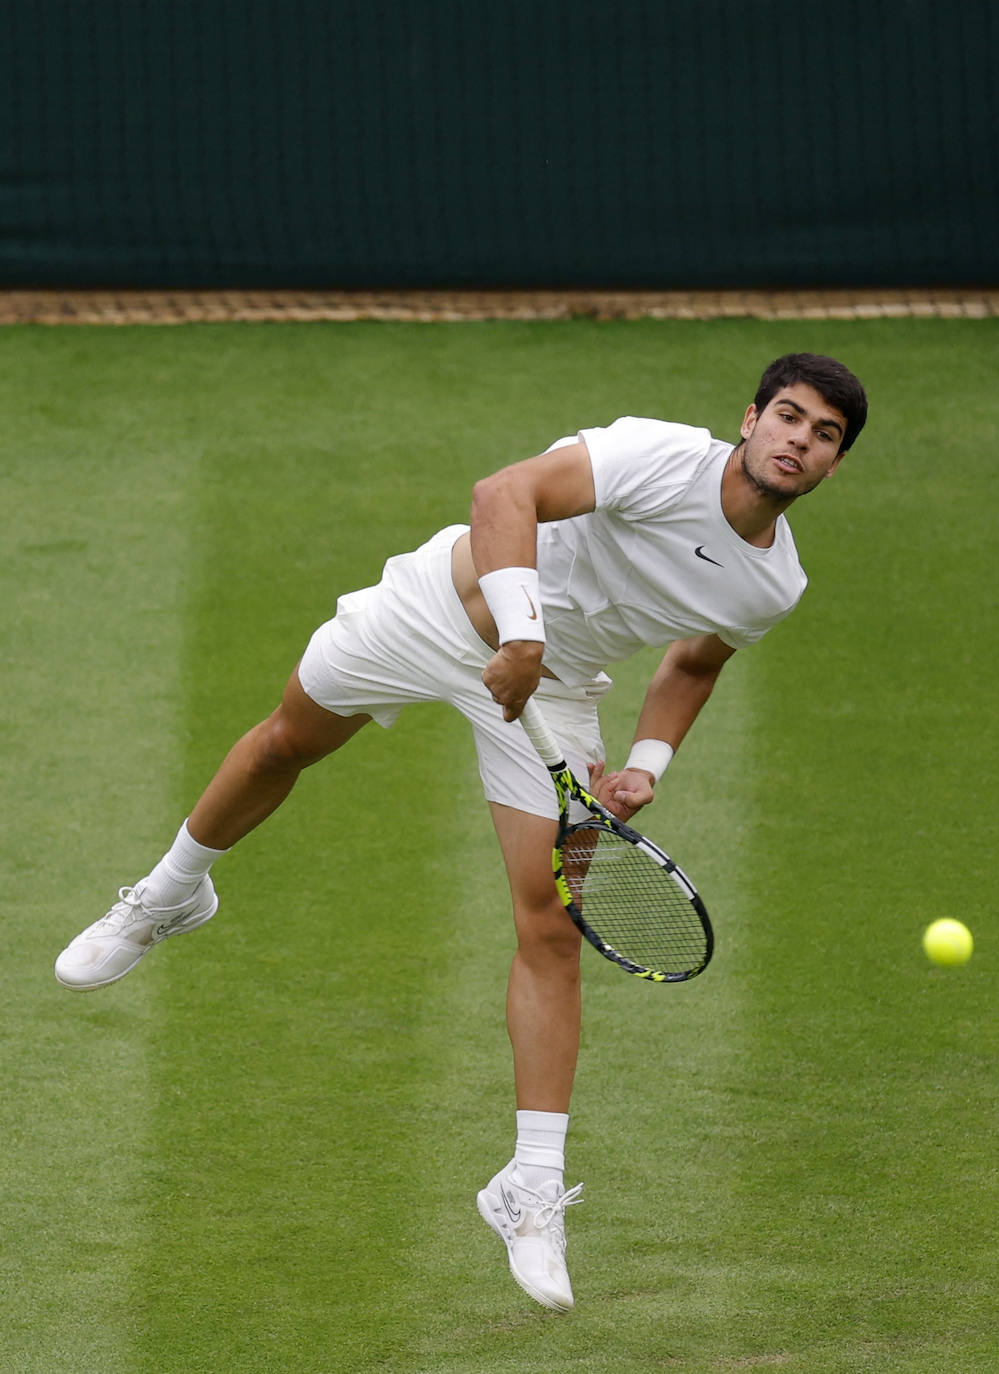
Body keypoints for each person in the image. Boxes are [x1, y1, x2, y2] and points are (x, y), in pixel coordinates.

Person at [55, 352, 868, 1312]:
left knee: (552, 924)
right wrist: (521, 633)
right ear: (750, 418)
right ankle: (170, 893)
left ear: (832, 465)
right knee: (283, 745)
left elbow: (694, 661)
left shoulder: (772, 587)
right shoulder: (657, 457)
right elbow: (505, 492)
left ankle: (527, 1187)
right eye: (788, 416)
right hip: (435, 611)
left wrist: (647, 763)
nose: (798, 441)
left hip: (550, 698)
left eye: (823, 436)